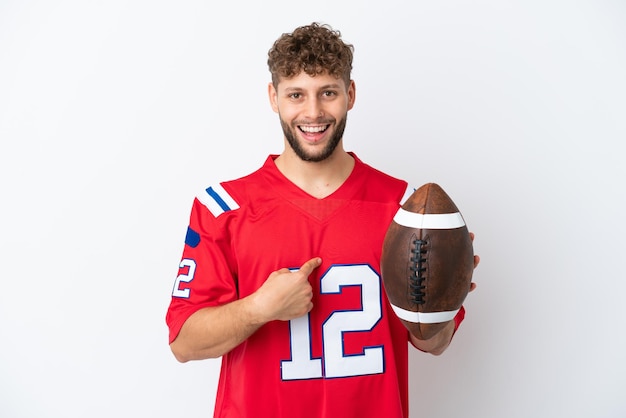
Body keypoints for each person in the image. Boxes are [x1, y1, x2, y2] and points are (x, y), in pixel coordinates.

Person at [166, 22, 479, 418]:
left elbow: (434, 344)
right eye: (296, 94)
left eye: (327, 93)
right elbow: (183, 342)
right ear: (273, 98)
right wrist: (258, 308)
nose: (313, 112)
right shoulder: (223, 209)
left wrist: (441, 303)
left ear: (349, 94)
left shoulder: (402, 209)